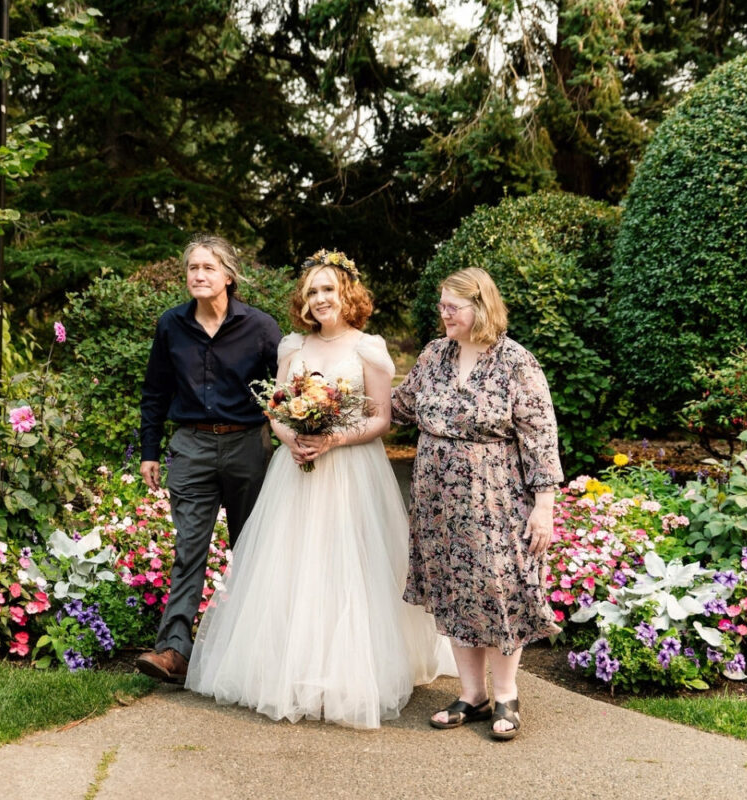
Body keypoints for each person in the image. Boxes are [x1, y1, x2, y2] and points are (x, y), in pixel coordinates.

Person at [185, 250, 455, 728]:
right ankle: (289, 669)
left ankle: (349, 673)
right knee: (294, 566)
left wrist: (333, 439)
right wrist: (294, 439)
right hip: (296, 472)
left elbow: (382, 418)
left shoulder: (368, 347)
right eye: (312, 291)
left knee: (348, 566)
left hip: (352, 471)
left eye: (328, 289)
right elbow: (275, 407)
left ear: (347, 294)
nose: (320, 298)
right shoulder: (293, 346)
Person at [391, 267, 563, 741]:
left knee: (500, 588)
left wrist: (544, 505)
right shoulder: (433, 355)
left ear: (481, 308)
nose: (443, 314)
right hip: (437, 501)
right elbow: (399, 407)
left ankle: (506, 692)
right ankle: (472, 694)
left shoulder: (515, 362)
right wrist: (330, 403)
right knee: (453, 587)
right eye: (442, 305)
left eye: (453, 307)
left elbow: (540, 436)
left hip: (496, 497)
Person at [134, 235, 282, 685]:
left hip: (248, 447)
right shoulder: (171, 325)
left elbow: (287, 389)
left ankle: (260, 652)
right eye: (192, 268)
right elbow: (155, 391)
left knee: (252, 550)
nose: (198, 275)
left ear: (228, 276)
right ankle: (173, 652)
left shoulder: (260, 328)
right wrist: (149, 451)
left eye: (208, 268)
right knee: (188, 551)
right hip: (191, 447)